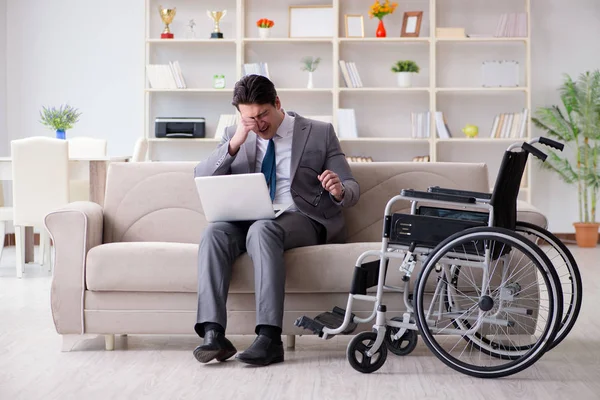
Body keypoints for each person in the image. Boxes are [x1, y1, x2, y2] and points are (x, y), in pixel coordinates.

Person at [192, 74, 359, 366]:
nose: (258, 124)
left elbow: (352, 186)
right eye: (249, 119)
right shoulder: (234, 134)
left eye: (263, 115)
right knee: (213, 233)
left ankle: (269, 338)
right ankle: (213, 334)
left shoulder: (318, 132)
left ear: (278, 103)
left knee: (263, 229)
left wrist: (339, 189)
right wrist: (234, 144)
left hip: (300, 217)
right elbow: (201, 177)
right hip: (247, 216)